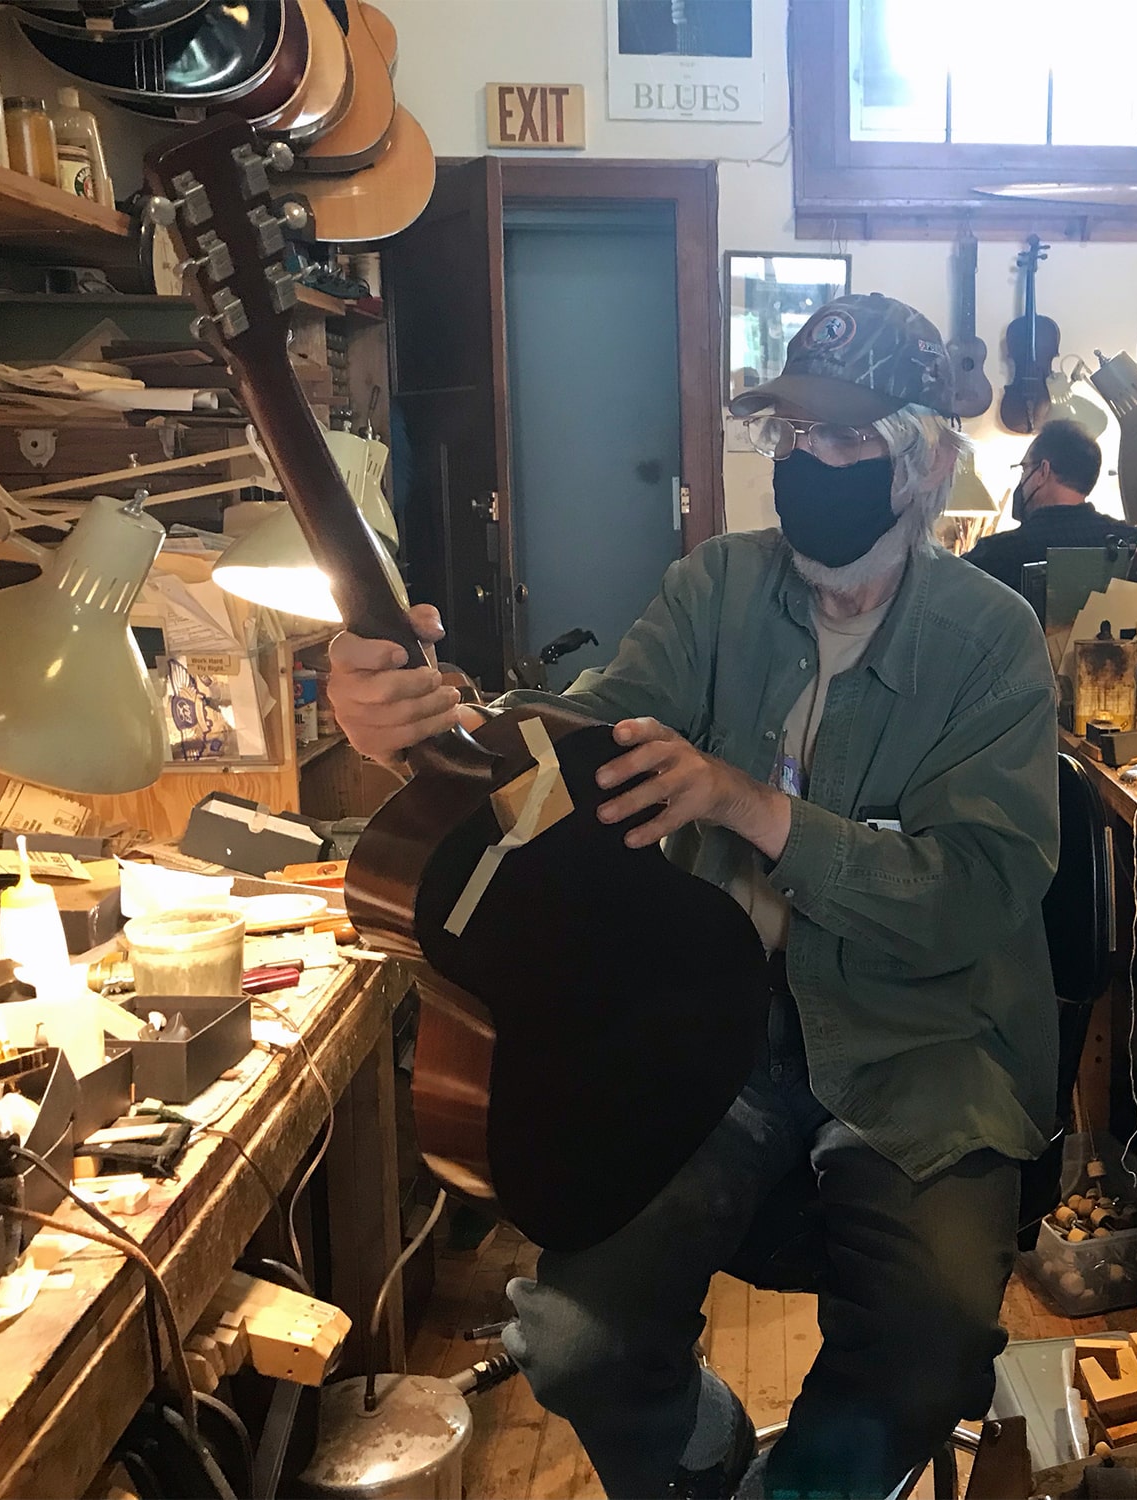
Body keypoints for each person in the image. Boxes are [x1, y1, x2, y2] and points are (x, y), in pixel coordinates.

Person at [325, 293, 1060, 1500]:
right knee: (572, 1339)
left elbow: (970, 898)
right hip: (710, 1032)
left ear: (922, 460)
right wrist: (430, 720)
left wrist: (744, 802)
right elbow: (586, 740)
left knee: (924, 1356)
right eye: (793, 442)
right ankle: (709, 1454)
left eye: (845, 441)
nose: (810, 467)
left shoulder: (990, 640)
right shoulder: (718, 586)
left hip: (919, 1050)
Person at [962, 418, 1137, 593]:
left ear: (1043, 470)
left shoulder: (996, 554)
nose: (1022, 478)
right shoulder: (1135, 543)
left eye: (1024, 467)